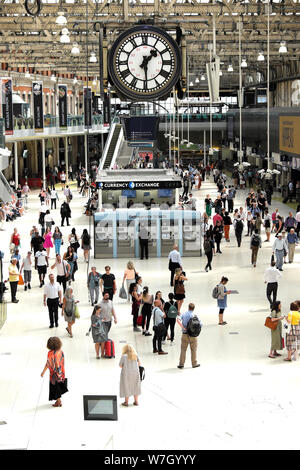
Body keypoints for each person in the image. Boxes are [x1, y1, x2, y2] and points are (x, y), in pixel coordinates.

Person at [40, 337, 68, 408]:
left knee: (55, 388)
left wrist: (43, 372)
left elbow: (48, 363)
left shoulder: (50, 353)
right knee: (59, 387)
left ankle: (58, 402)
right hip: (61, 372)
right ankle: (58, 401)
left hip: (54, 375)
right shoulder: (61, 351)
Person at [177, 303, 201, 369]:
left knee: (183, 349)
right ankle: (194, 363)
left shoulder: (184, 314)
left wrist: (182, 327)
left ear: (188, 307)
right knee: (193, 350)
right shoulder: (195, 316)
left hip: (184, 334)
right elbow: (200, 324)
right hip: (193, 335)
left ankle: (181, 364)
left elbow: (178, 319)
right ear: (193, 308)